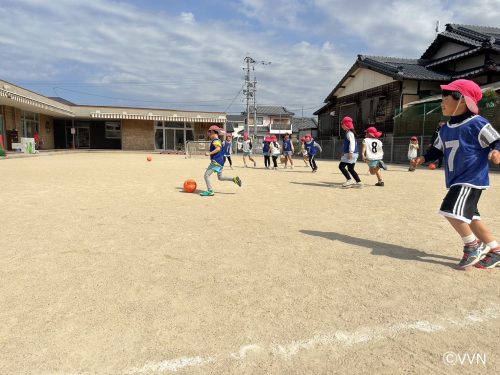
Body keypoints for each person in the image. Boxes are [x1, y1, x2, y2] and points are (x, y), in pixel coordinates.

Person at [412, 79, 500, 269]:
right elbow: (436, 151)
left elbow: (496, 140)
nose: (442, 101)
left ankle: (472, 246)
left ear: (462, 99)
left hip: (471, 178)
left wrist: (496, 151)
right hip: (455, 179)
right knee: (471, 218)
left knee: (450, 210)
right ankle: (495, 251)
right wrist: (423, 158)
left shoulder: (477, 123)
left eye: (446, 97)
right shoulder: (445, 129)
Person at [200, 125, 242, 196]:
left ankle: (210, 191)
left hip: (216, 162)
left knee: (206, 175)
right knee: (220, 177)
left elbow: (218, 148)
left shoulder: (215, 141)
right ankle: (234, 179)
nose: (209, 134)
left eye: (209, 132)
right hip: (221, 162)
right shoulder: (218, 140)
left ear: (213, 132)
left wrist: (209, 153)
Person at [339, 117, 362, 188]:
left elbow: (352, 143)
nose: (341, 126)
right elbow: (348, 144)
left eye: (342, 124)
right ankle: (359, 182)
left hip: (351, 153)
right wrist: (344, 152)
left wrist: (351, 152)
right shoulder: (349, 132)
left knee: (341, 166)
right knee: (351, 169)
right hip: (353, 153)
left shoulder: (349, 133)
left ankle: (349, 180)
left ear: (346, 125)